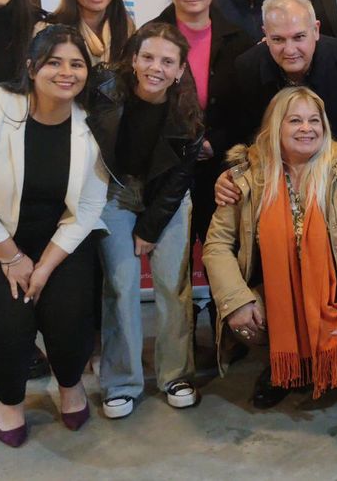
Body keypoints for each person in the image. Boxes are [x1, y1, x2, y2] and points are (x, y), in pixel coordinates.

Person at [0, 25, 108, 447]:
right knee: (5, 325)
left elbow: (88, 206)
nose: (66, 72)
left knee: (71, 317)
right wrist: (13, 258)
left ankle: (71, 384)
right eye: (54, 62)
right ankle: (11, 401)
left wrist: (47, 264)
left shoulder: (92, 125)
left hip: (58, 238)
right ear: (32, 67)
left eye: (76, 64)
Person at [203, 87, 337, 408]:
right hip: (280, 296)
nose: (307, 128)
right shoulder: (247, 179)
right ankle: (286, 364)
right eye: (295, 120)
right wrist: (236, 300)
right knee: (250, 321)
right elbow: (216, 246)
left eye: (314, 120)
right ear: (275, 127)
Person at [87, 22, 206, 419]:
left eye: (167, 61)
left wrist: (150, 229)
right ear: (134, 59)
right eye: (149, 57)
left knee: (173, 284)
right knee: (120, 285)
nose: (156, 68)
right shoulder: (103, 90)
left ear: (180, 70)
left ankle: (176, 374)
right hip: (115, 191)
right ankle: (121, 381)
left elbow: (178, 181)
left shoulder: (188, 114)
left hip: (164, 199)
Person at [146, 0, 256, 240]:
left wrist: (214, 143)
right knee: (172, 268)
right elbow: (141, 107)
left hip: (221, 169)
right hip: (165, 168)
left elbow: (248, 110)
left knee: (219, 255)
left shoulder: (238, 39)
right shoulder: (149, 38)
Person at [231, 0, 337, 176]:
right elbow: (240, 143)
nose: (290, 50)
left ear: (316, 30)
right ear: (265, 35)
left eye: (299, 37)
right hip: (272, 182)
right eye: (277, 39)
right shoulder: (246, 69)